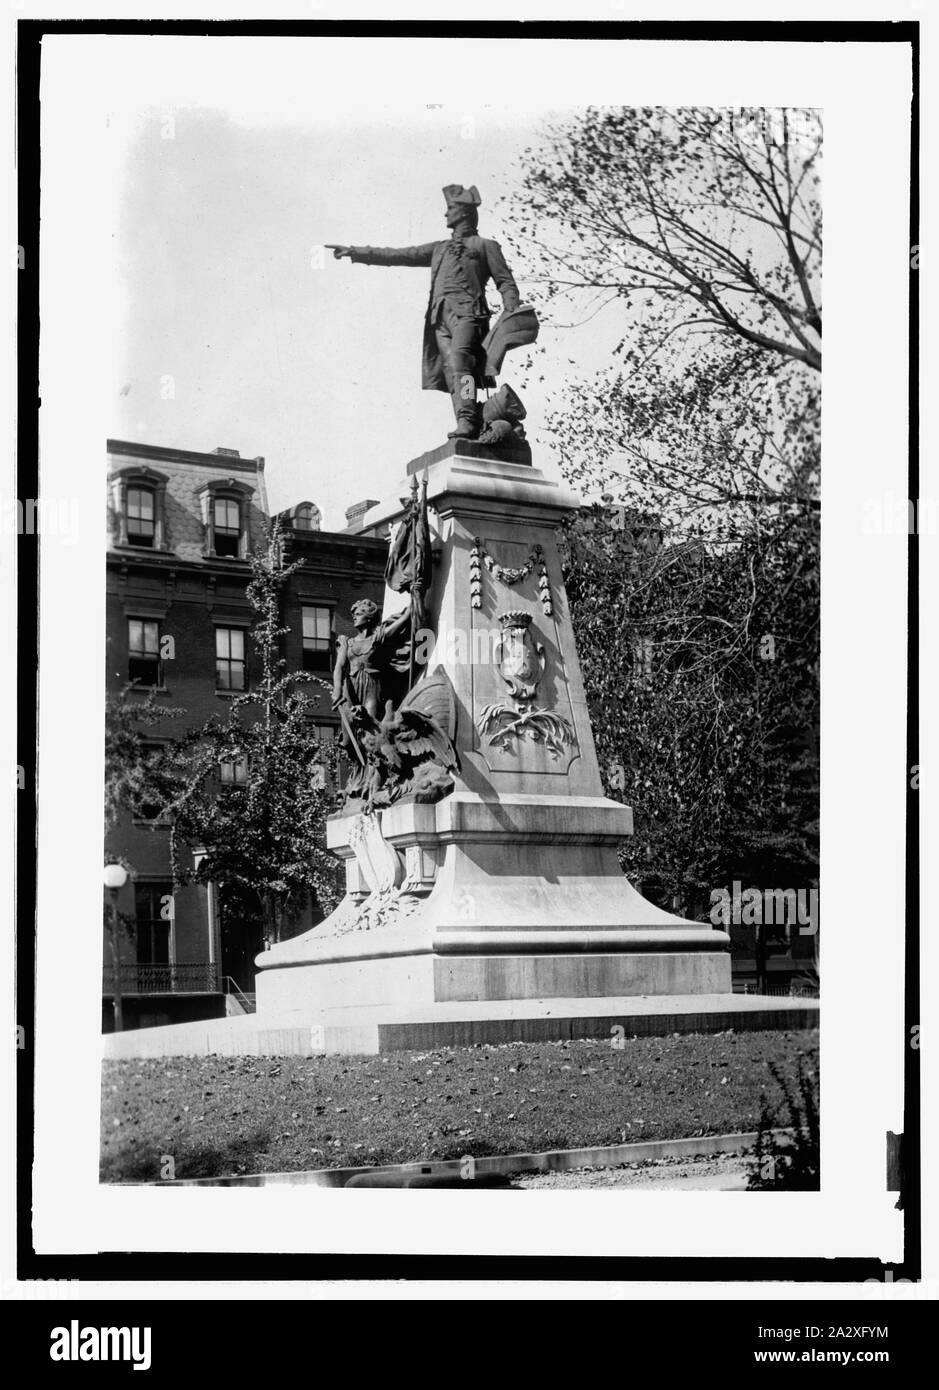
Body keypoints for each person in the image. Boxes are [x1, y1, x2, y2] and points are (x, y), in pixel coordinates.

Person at [327, 184, 520, 439]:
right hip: (440, 319)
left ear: (463, 212)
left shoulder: (486, 246)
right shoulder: (439, 248)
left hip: (469, 314)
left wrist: (511, 309)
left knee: (462, 362)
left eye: (450, 209)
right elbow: (399, 255)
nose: (446, 214)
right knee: (453, 369)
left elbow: (505, 281)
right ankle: (468, 418)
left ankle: (468, 419)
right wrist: (356, 252)